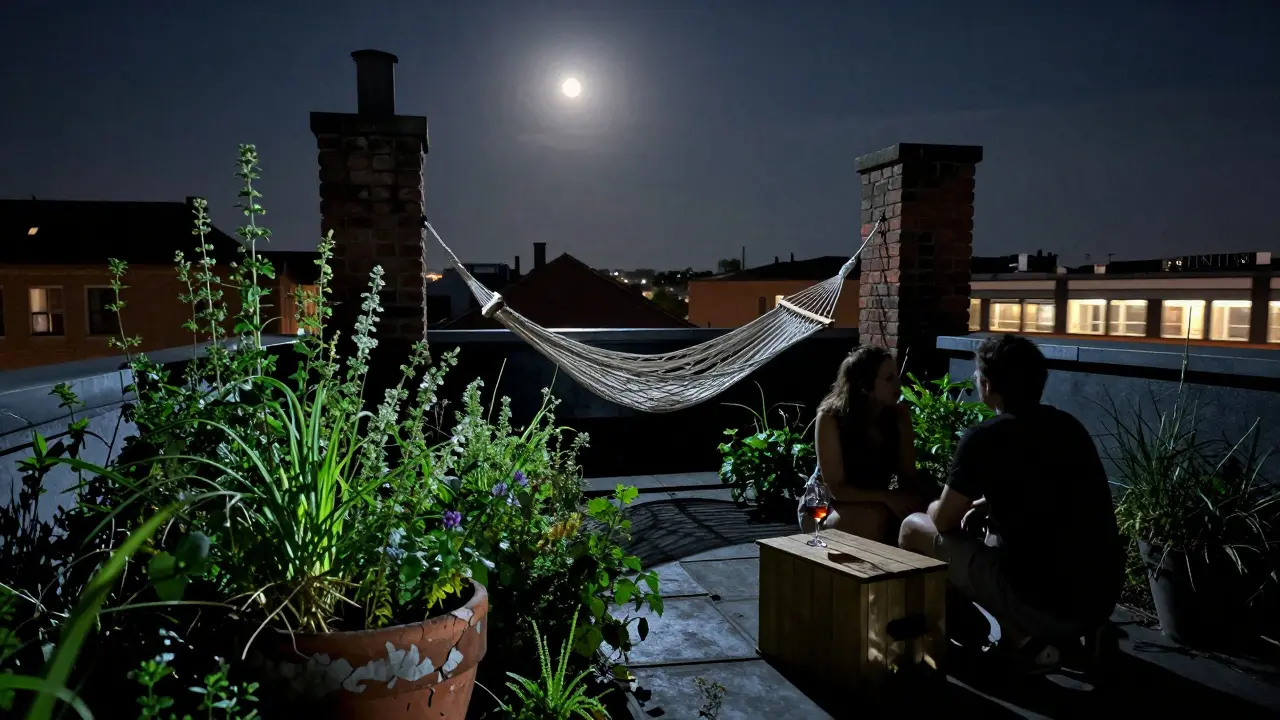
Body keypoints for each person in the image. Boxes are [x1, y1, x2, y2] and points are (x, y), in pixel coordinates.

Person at [898, 334, 1124, 671]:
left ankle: (1001, 637)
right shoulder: (1068, 427)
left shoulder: (984, 438)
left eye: (978, 377)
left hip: (1044, 605)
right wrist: (988, 502)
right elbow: (1056, 493)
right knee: (994, 536)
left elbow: (943, 521)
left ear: (987, 385)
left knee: (913, 528)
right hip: (1098, 600)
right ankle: (1045, 637)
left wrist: (931, 507)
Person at [804, 345, 930, 543]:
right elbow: (835, 488)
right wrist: (886, 497)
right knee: (872, 519)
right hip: (825, 504)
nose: (898, 384)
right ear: (864, 386)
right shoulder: (831, 418)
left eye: (897, 376)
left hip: (875, 501)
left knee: (925, 514)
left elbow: (908, 475)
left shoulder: (898, 416)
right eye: (889, 379)